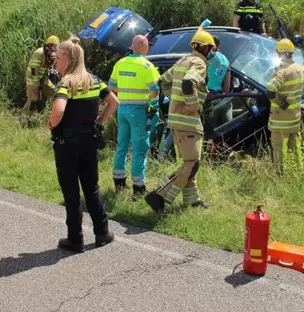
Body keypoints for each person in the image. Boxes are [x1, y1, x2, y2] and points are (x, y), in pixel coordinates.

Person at [49, 36, 119, 253]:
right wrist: (98, 122)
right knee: (92, 187)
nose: (55, 62)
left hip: (67, 143)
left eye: (58, 58)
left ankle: (75, 239)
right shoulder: (95, 80)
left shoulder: (66, 83)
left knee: (71, 192)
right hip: (89, 140)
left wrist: (51, 124)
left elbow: (59, 110)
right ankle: (102, 233)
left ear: (69, 59)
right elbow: (114, 102)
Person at [144, 30, 215, 212]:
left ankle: (192, 200)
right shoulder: (199, 63)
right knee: (191, 163)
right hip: (188, 121)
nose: (212, 53)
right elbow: (188, 83)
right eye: (211, 49)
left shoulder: (182, 61)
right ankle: (158, 195)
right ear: (205, 48)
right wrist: (192, 105)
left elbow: (163, 82)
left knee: (190, 163)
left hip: (176, 120)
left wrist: (175, 99)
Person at [109, 35, 160, 197]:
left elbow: (111, 87)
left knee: (122, 145)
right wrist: (153, 106)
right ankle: (138, 187)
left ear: (132, 46)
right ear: (145, 47)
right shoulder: (147, 66)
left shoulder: (120, 63)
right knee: (140, 148)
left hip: (122, 109)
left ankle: (119, 182)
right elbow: (155, 91)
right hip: (139, 111)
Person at [265, 38, 304, 174]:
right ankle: (299, 174)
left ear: (280, 54)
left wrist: (280, 101)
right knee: (295, 149)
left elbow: (269, 89)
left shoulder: (282, 72)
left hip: (280, 122)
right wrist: (299, 91)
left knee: (279, 150)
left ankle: (279, 175)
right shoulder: (300, 69)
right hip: (294, 119)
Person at [21, 35, 60, 125]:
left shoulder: (50, 54)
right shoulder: (40, 53)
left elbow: (48, 67)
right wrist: (36, 84)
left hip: (42, 78)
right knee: (32, 98)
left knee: (54, 92)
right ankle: (24, 121)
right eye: (55, 45)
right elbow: (34, 69)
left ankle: (53, 117)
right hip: (33, 79)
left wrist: (53, 61)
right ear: (50, 45)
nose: (57, 48)